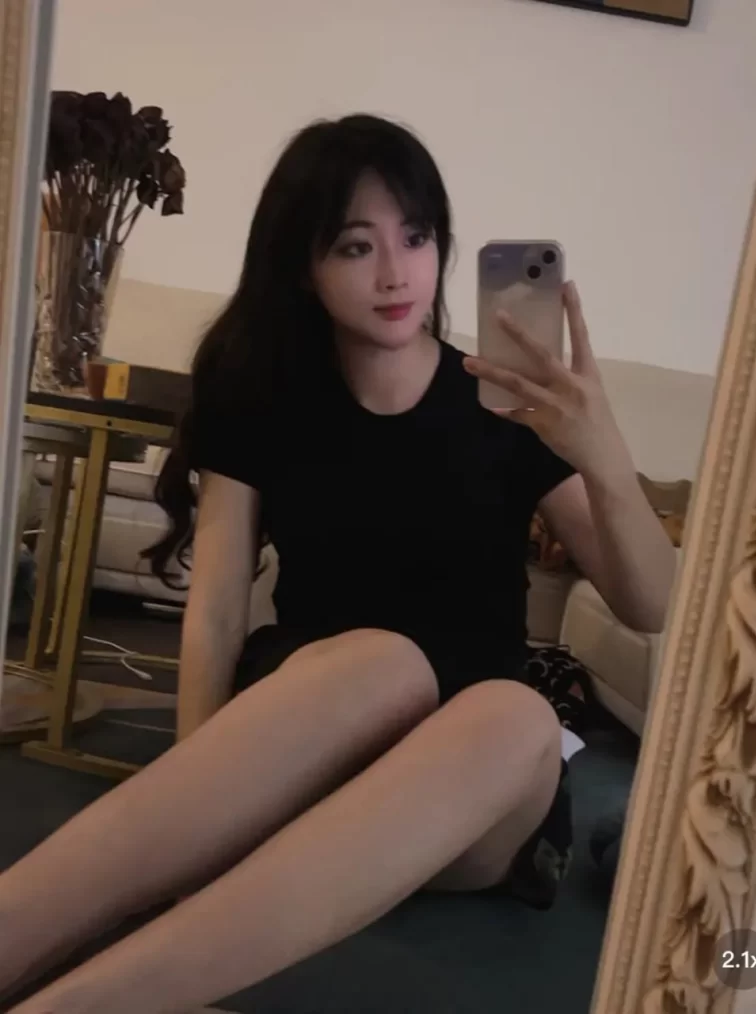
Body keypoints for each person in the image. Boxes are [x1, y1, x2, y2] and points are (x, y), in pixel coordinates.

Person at [1, 114, 676, 1014]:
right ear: (304, 266)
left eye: (416, 237)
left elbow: (653, 605)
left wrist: (602, 454)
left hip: (471, 778)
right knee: (384, 661)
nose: (396, 273)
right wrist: (199, 811)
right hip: (314, 718)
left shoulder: (509, 407)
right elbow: (217, 607)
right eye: (357, 246)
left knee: (517, 713)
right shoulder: (262, 391)